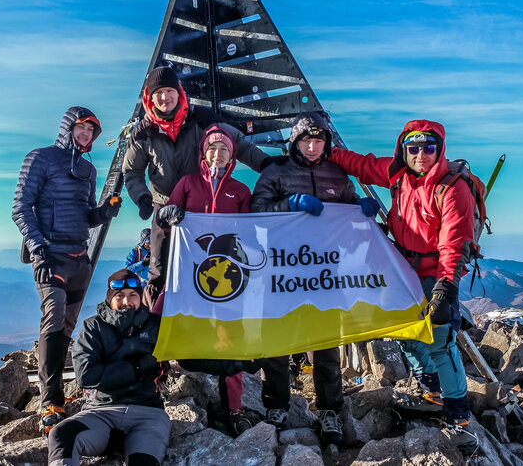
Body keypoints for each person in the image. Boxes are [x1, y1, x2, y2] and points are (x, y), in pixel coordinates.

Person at [329, 120, 478, 455]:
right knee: (403, 331)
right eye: (413, 148)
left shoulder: (452, 188)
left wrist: (444, 291)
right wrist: (329, 152)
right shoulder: (397, 174)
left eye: (428, 147)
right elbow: (361, 165)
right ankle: (432, 389)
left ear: (439, 149)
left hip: (436, 273)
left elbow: (454, 245)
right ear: (404, 150)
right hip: (402, 269)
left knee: (441, 342)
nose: (420, 154)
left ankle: (458, 414)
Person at [250, 112, 379, 446]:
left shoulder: (336, 173)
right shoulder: (276, 172)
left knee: (325, 342)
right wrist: (289, 204)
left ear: (326, 143)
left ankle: (330, 409)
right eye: (306, 140)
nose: (312, 146)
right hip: (282, 268)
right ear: (294, 141)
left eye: (318, 140)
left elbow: (349, 211)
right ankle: (276, 405)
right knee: (276, 338)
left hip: (324, 270)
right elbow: (256, 213)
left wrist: (360, 209)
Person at [121, 66, 272, 308]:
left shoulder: (200, 118)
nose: (164, 97)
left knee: (209, 264)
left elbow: (235, 142)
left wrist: (265, 163)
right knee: (159, 271)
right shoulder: (143, 131)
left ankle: (212, 321)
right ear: (150, 97)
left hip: (199, 202)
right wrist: (142, 198)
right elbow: (132, 171)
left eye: (169, 90)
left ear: (179, 92)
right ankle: (158, 331)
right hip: (164, 207)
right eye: (158, 92)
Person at [12, 106, 122, 433]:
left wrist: (105, 212)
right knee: (55, 314)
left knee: (67, 326)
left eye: (92, 131)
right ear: (68, 128)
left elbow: (88, 216)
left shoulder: (88, 170)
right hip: (50, 254)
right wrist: (37, 247)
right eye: (82, 128)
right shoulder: (40, 158)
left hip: (79, 258)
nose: (86, 134)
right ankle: (50, 401)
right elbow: (20, 207)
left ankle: (56, 394)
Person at [155, 125, 254, 435]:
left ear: (232, 155)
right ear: (203, 153)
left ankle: (234, 409)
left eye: (223, 148)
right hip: (186, 272)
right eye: (212, 147)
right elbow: (164, 221)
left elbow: (249, 232)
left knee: (230, 337)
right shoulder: (188, 184)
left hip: (224, 279)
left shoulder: (240, 191)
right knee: (158, 322)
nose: (217, 153)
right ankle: (152, 386)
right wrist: (168, 214)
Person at [47, 269, 170, 466]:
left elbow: (188, 356)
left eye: (133, 296)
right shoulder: (93, 328)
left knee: (143, 461)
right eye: (119, 296)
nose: (126, 302)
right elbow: (86, 376)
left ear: (141, 297)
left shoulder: (158, 326)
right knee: (61, 434)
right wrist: (136, 368)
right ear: (109, 298)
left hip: (148, 415)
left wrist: (230, 362)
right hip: (101, 412)